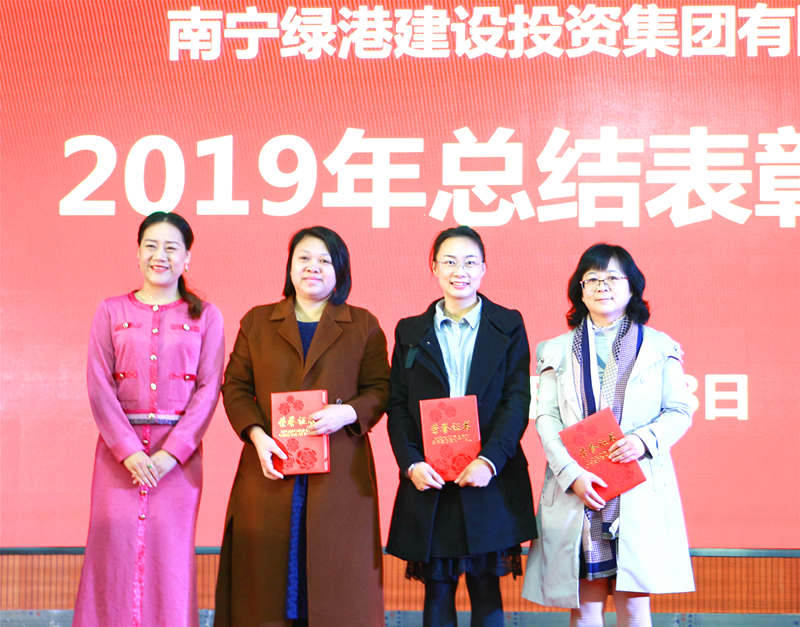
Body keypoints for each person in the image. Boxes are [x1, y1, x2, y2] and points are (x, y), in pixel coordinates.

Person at [214, 226, 390, 627]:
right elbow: (235, 386)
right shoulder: (258, 321)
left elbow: (381, 388)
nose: (313, 267)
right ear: (290, 266)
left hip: (340, 472)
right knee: (266, 586)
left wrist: (348, 413)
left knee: (335, 586)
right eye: (304, 258)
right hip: (271, 468)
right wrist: (256, 436)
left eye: (325, 260)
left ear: (340, 270)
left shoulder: (363, 324)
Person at [521, 243, 694, 627]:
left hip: (636, 487)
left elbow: (679, 411)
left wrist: (644, 439)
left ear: (632, 287)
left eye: (614, 277)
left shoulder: (659, 346)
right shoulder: (554, 349)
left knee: (634, 607)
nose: (603, 285)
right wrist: (571, 474)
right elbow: (546, 416)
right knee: (585, 608)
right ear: (580, 291)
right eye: (593, 278)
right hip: (579, 489)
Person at [74, 212, 225, 627]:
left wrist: (171, 454)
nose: (161, 255)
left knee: (170, 558)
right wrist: (127, 451)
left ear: (187, 258)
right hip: (116, 458)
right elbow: (99, 385)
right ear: (138, 252)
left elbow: (208, 390)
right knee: (112, 553)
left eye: (171, 248)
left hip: (179, 463)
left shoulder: (207, 316)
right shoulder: (110, 311)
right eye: (151, 246)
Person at [386, 226, 537, 627]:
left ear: (484, 268)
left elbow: (516, 399)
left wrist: (489, 461)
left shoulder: (508, 324)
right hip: (431, 479)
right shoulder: (409, 331)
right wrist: (411, 464)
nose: (460, 271)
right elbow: (397, 405)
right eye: (450, 262)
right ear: (434, 267)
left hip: (489, 475)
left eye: (470, 262)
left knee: (487, 590)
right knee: (437, 592)